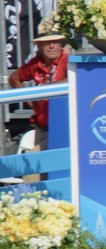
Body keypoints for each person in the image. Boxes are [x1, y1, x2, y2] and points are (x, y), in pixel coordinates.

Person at [8, 28, 69, 156]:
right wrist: (32, 103)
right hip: (41, 126)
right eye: (47, 43)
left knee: (33, 167)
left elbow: (75, 78)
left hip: (62, 129)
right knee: (43, 171)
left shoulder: (68, 61)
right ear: (39, 46)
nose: (51, 46)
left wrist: (47, 87)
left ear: (61, 45)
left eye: (56, 42)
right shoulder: (36, 64)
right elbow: (14, 79)